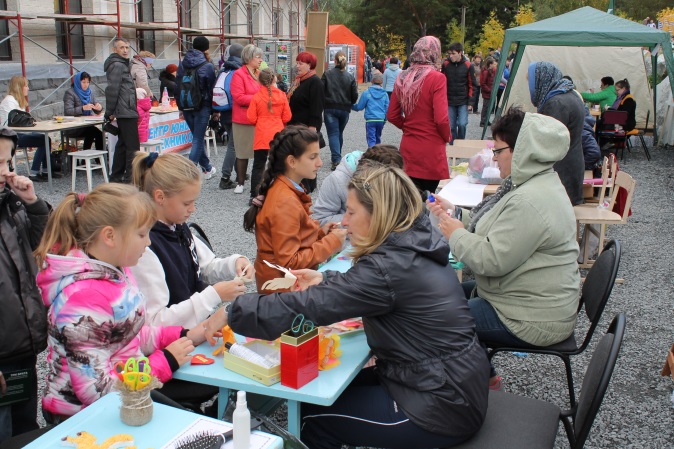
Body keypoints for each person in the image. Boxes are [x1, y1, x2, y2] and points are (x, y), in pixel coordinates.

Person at [230, 164, 489, 449]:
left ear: (378, 214)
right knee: (326, 387)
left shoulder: (387, 266)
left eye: (351, 212)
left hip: (441, 406)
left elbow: (311, 306)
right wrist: (324, 277)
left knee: (313, 415)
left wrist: (233, 312)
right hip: (451, 383)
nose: (344, 221)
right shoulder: (414, 240)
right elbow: (374, 289)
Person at [35, 183, 227, 421]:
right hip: (80, 417)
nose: (148, 243)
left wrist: (184, 334)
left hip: (126, 393)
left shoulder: (116, 271)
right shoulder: (83, 299)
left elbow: (128, 336)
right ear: (109, 236)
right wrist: (165, 361)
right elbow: (97, 390)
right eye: (141, 234)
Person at [428, 109, 580, 390]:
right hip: (528, 297)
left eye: (498, 150)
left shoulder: (528, 199)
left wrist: (456, 234)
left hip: (533, 315)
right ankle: (484, 377)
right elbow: (499, 231)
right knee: (440, 294)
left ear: (523, 150)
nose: (494, 157)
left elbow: (489, 260)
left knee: (439, 317)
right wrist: (457, 215)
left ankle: (470, 389)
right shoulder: (536, 182)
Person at [130, 152, 253, 327]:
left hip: (194, 333)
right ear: (160, 197)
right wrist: (213, 295)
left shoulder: (178, 226)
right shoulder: (144, 248)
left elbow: (204, 267)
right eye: (186, 203)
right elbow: (155, 322)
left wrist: (234, 263)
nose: (193, 209)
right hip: (172, 345)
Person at [243, 126, 345, 293]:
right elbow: (289, 262)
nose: (319, 163)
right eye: (313, 157)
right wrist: (331, 242)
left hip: (282, 286)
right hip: (284, 293)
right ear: (292, 162)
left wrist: (320, 234)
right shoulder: (284, 201)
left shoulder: (285, 188)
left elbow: (293, 239)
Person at [0, 128, 49, 444]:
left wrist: (33, 204)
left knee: (25, 428)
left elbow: (42, 245)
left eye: (7, 163)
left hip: (21, 344)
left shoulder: (11, 205)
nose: (5, 173)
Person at [387, 36, 450, 193]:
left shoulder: (402, 77)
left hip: (409, 147)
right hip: (431, 148)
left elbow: (392, 115)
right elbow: (441, 119)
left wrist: (408, 127)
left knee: (410, 201)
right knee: (429, 201)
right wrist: (446, 136)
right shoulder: (437, 78)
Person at [528, 61, 585, 206]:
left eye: (531, 83)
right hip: (572, 164)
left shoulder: (556, 103)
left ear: (542, 80)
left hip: (561, 171)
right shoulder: (570, 94)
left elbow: (547, 141)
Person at [312, 144, 404, 226]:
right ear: (365, 165)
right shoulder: (336, 180)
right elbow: (319, 220)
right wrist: (361, 216)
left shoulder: (392, 177)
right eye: (378, 180)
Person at [175, 36, 218, 179]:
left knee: (196, 138)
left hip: (186, 104)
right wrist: (215, 111)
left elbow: (177, 85)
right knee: (198, 139)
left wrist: (180, 106)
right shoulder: (208, 65)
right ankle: (188, 173)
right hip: (202, 105)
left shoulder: (182, 63)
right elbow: (211, 89)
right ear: (206, 48)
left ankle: (206, 168)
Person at [247, 68, 292, 202]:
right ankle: (278, 191)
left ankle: (254, 194)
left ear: (259, 81)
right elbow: (287, 116)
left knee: (259, 164)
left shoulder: (257, 97)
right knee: (278, 164)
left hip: (261, 133)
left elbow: (251, 118)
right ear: (274, 80)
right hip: (277, 133)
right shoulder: (282, 95)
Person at [0, 76, 53, 182]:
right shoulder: (9, 101)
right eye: (26, 86)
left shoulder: (18, 101)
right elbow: (12, 123)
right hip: (10, 137)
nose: (28, 88)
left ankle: (47, 171)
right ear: (19, 87)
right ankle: (34, 172)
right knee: (44, 140)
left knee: (46, 139)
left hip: (19, 133)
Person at [287, 51, 325, 193]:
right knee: (299, 156)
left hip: (306, 127)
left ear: (310, 65)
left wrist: (312, 129)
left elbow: (317, 108)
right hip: (295, 126)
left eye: (300, 63)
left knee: (307, 156)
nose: (297, 66)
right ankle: (299, 182)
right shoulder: (299, 80)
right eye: (297, 63)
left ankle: (308, 185)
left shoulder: (315, 82)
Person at [105, 37, 139, 183]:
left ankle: (116, 177)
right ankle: (129, 179)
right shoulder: (118, 65)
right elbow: (112, 89)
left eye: (127, 47)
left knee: (123, 144)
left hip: (126, 108)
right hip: (125, 109)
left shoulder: (121, 64)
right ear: (115, 50)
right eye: (122, 47)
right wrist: (109, 111)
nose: (125, 50)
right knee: (132, 146)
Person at [230, 44, 263, 194]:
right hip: (242, 119)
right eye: (258, 57)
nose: (260, 60)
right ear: (249, 58)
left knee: (259, 151)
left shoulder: (259, 73)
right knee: (242, 152)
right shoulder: (239, 74)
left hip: (258, 118)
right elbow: (238, 97)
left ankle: (257, 180)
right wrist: (258, 98)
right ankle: (240, 182)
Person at [322, 51, 359, 170]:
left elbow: (321, 91)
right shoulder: (350, 76)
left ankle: (336, 159)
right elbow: (354, 96)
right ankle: (337, 156)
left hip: (330, 107)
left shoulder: (327, 74)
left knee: (333, 133)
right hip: (344, 109)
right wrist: (350, 103)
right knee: (339, 133)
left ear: (335, 61)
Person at [218, 43, 244, 190]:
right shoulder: (240, 71)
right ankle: (225, 177)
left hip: (224, 111)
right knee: (234, 145)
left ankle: (239, 172)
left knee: (234, 143)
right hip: (236, 113)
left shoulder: (224, 69)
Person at [441, 42, 476, 144]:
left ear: (460, 53)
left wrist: (471, 102)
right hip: (449, 100)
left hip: (463, 100)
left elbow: (472, 85)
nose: (451, 56)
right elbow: (442, 82)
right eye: (449, 54)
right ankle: (453, 146)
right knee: (451, 126)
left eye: (453, 53)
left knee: (462, 124)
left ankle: (460, 143)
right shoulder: (446, 64)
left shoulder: (468, 65)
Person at [63, 71, 104, 152]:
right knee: (93, 132)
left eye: (88, 82)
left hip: (87, 124)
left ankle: (99, 157)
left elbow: (96, 109)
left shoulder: (89, 92)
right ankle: (88, 157)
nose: (86, 84)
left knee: (99, 133)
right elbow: (68, 111)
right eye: (83, 82)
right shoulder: (70, 93)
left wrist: (99, 107)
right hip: (74, 127)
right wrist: (82, 108)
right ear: (78, 82)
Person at [351, 72, 389, 147]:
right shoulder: (385, 94)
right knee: (378, 139)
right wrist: (385, 119)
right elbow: (387, 108)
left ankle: (371, 155)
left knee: (371, 139)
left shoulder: (366, 93)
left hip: (370, 120)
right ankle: (378, 155)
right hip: (381, 120)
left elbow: (359, 107)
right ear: (382, 82)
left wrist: (350, 106)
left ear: (372, 81)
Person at [479, 57, 496, 127]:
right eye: (493, 64)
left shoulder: (490, 71)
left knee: (488, 107)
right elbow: (483, 83)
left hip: (489, 92)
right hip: (487, 92)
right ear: (490, 64)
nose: (495, 65)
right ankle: (483, 121)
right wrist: (489, 90)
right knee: (485, 107)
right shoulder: (486, 72)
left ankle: (486, 120)